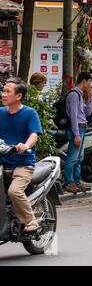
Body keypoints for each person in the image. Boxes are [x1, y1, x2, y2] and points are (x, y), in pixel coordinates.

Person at [0, 78, 43, 232]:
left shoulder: (29, 113)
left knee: (14, 191)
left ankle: (30, 220)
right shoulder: (0, 113)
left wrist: (25, 145)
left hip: (22, 163)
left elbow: (34, 135)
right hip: (2, 162)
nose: (3, 94)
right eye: (3, 91)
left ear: (18, 96)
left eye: (7, 91)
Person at [63, 72, 92, 193]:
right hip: (77, 129)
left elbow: (87, 113)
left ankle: (77, 181)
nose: (90, 85)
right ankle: (68, 182)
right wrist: (76, 134)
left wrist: (89, 98)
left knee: (79, 158)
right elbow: (73, 117)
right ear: (84, 81)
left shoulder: (80, 95)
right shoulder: (74, 95)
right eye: (90, 82)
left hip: (82, 128)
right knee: (72, 157)